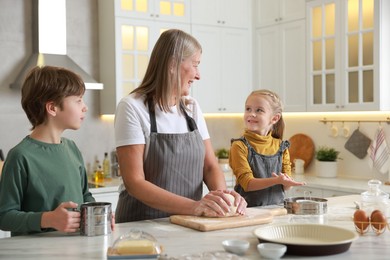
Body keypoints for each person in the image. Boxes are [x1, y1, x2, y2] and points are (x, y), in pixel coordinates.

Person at [114, 29, 247, 222]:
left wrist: (223, 199)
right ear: (172, 64)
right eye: (195, 65)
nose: (198, 75)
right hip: (141, 226)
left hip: (187, 223)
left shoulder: (191, 108)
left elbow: (210, 167)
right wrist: (195, 207)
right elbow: (135, 182)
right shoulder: (132, 107)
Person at [0, 66, 112, 236]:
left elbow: (85, 196)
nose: (85, 107)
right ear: (52, 108)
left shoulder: (72, 149)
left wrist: (98, 215)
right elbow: (5, 216)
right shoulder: (20, 156)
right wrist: (47, 219)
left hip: (76, 250)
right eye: (78, 100)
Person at [229, 89, 305, 207]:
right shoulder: (239, 146)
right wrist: (276, 180)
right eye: (248, 109)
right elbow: (247, 184)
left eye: (259, 110)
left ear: (274, 118)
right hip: (247, 212)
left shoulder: (281, 147)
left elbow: (286, 186)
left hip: (277, 210)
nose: (251, 114)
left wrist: (288, 182)